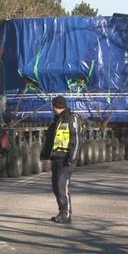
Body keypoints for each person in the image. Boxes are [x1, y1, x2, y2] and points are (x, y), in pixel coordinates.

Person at [40, 95, 82, 224]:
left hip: (66, 159)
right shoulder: (57, 120)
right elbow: (50, 141)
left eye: (53, 106)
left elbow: (76, 140)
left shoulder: (72, 119)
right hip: (56, 158)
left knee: (61, 186)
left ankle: (66, 215)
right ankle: (61, 212)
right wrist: (45, 154)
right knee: (56, 187)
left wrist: (72, 158)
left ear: (55, 106)